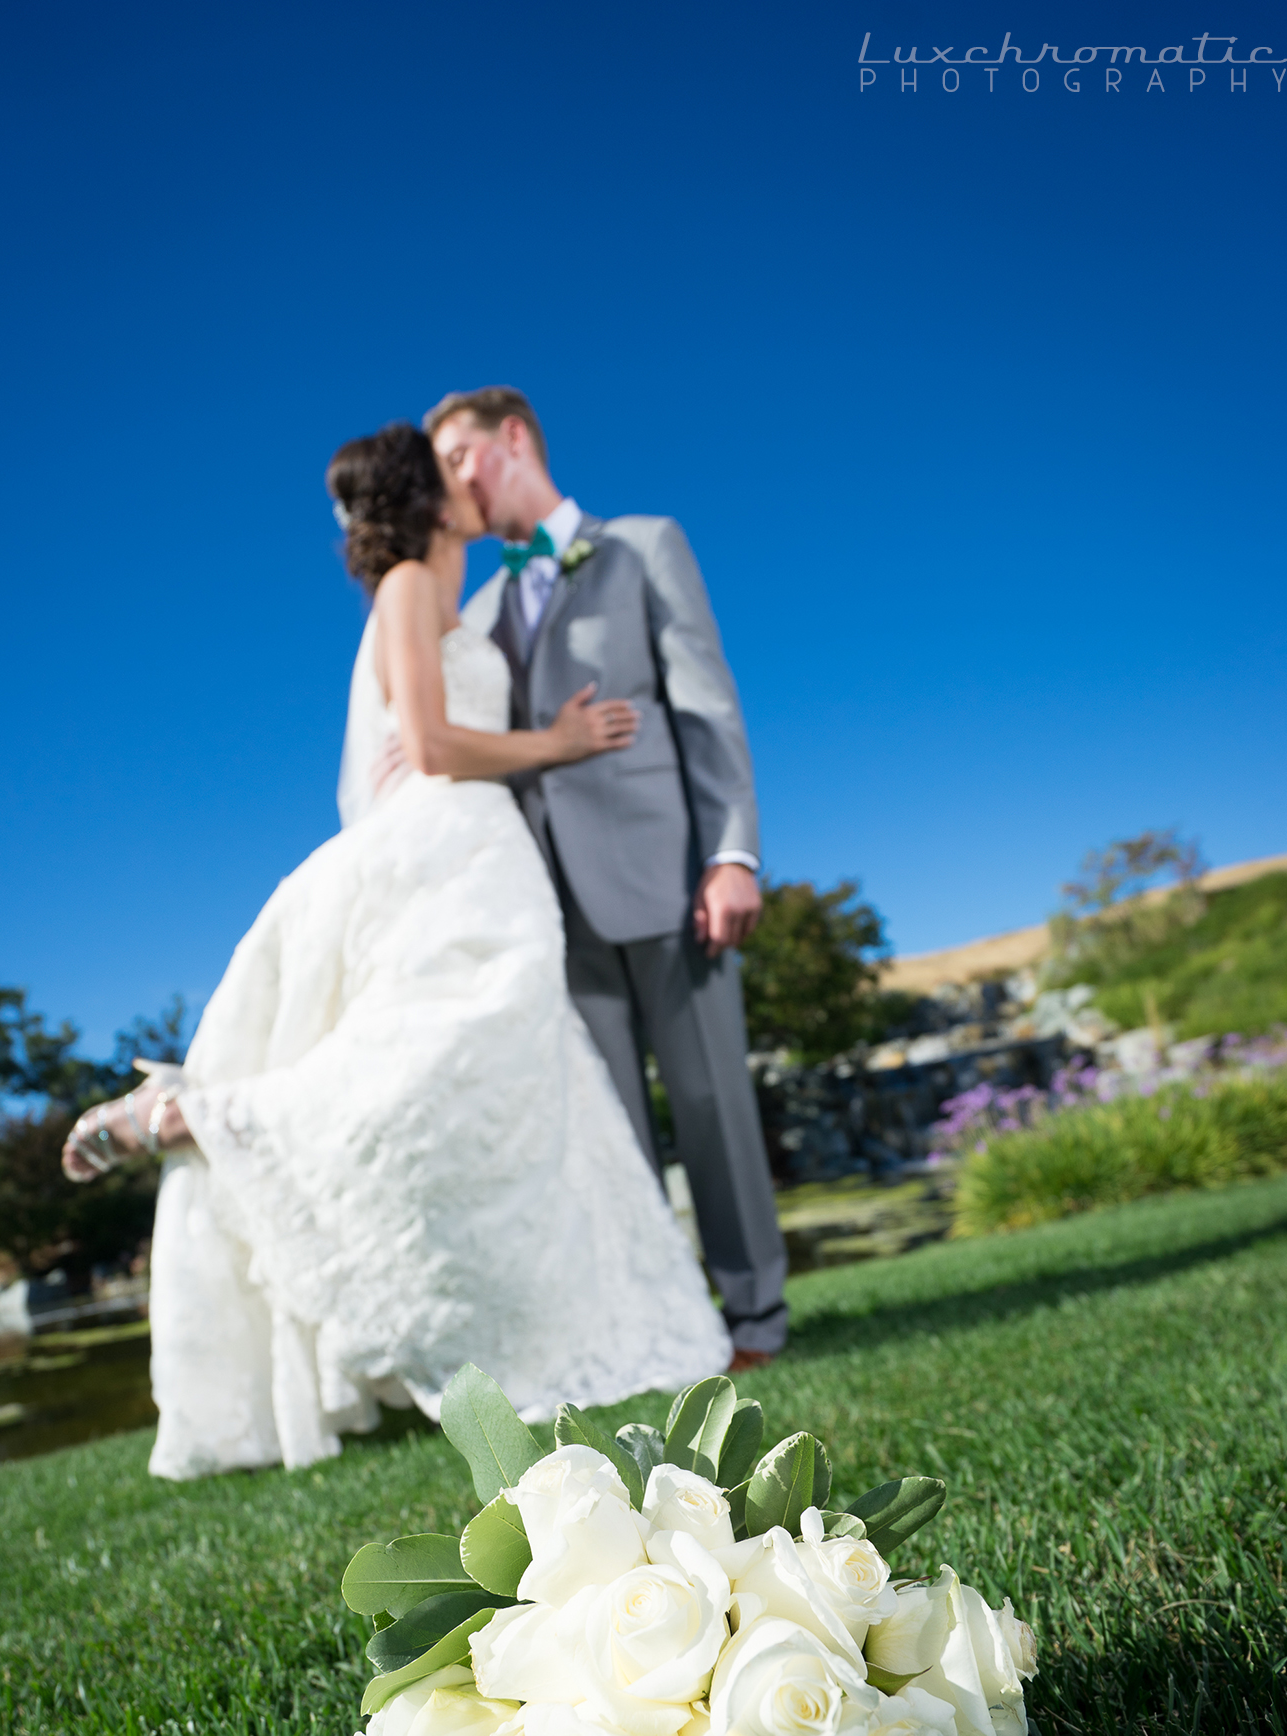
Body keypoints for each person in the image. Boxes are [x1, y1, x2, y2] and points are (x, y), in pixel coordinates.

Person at [61, 422, 730, 1479]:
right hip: (453, 842)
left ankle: (549, 1321)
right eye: (450, 466)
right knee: (427, 1069)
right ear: (426, 493)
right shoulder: (415, 580)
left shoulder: (454, 601)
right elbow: (425, 747)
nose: (469, 481)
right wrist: (555, 741)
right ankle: (196, 1114)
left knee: (500, 1088)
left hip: (482, 849)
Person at [427, 387, 787, 1368]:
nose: (451, 478)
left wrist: (732, 853)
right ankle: (664, 1335)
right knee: (615, 1140)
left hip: (669, 873)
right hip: (550, 901)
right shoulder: (480, 607)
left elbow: (705, 705)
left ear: (514, 438)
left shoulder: (641, 545)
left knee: (715, 1108)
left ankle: (758, 1321)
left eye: (461, 453)